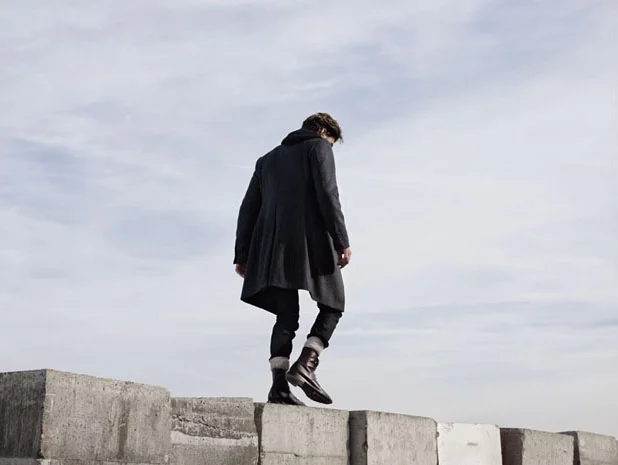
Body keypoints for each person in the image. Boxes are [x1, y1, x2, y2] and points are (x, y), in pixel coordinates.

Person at [233, 112, 352, 406]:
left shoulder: (266, 161)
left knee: (286, 315)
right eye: (332, 142)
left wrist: (242, 255)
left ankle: (279, 387)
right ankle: (307, 364)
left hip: (270, 248)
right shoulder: (318, 147)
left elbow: (248, 209)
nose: (330, 147)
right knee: (334, 303)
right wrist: (342, 241)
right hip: (309, 241)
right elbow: (328, 194)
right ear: (323, 131)